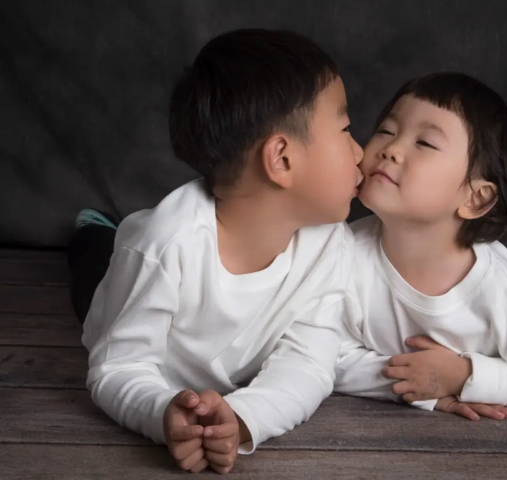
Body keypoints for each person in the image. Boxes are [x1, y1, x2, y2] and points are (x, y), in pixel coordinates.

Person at [68, 28, 363, 474]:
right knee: (94, 267)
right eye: (345, 129)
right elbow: (116, 368)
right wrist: (162, 412)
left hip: (159, 266)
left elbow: (308, 362)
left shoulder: (329, 242)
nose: (361, 152)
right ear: (282, 159)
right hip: (124, 282)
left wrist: (245, 418)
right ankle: (93, 229)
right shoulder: (165, 248)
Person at [335, 72, 507, 420]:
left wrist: (466, 375)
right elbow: (324, 356)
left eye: (424, 143)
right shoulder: (343, 254)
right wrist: (425, 388)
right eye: (387, 131)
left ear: (475, 197)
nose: (391, 149)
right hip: (471, 227)